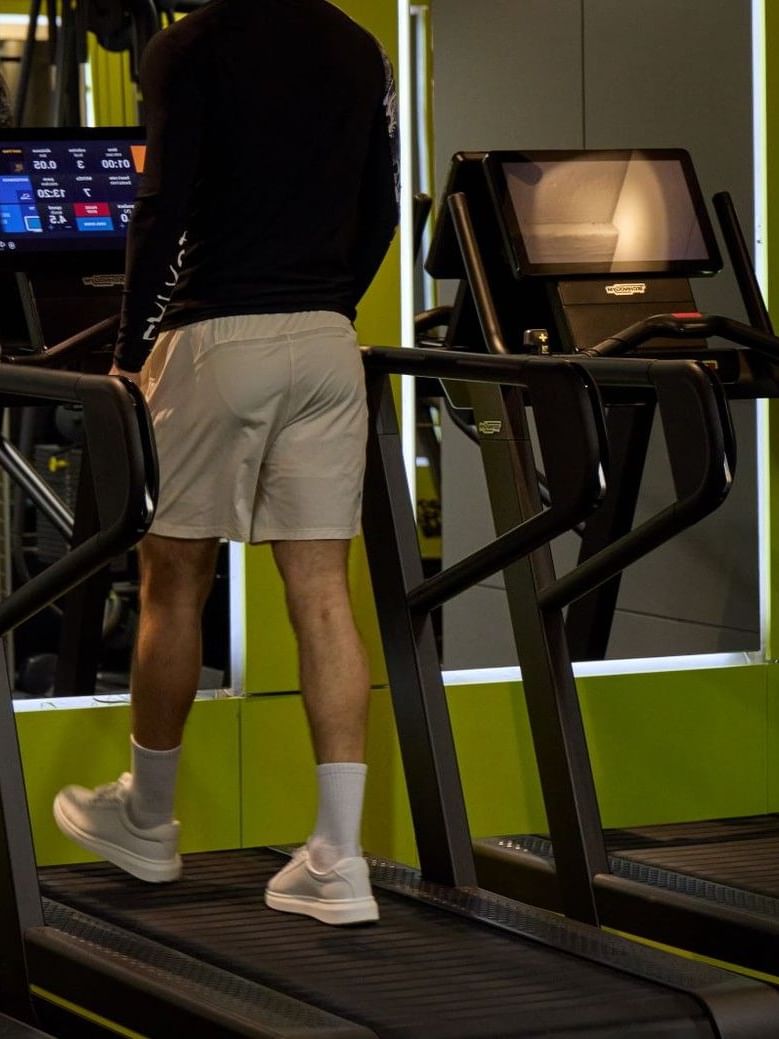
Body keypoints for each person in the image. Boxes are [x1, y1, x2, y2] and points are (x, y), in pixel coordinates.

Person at [53, 0, 399, 927]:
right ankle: (337, 857)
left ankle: (148, 819)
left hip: (214, 335)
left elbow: (160, 204)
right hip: (330, 340)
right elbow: (381, 208)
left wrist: (129, 353)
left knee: (173, 577)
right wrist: (321, 302)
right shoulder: (354, 44)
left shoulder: (190, 45)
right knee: (323, 593)